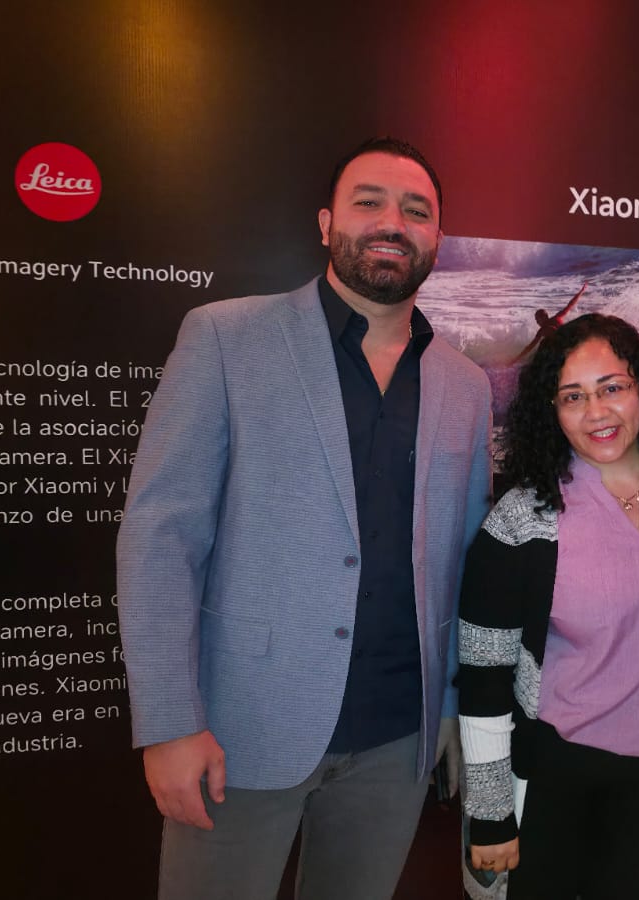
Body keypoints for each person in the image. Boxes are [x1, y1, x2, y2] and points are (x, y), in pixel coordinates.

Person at [116, 136, 492, 900]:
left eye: (415, 210)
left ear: (437, 237)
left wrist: (451, 708)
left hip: (398, 738)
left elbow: (462, 561)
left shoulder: (466, 384)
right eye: (369, 202)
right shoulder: (225, 338)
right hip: (241, 729)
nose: (392, 222)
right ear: (326, 224)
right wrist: (169, 723)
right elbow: (160, 537)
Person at [458, 314, 639, 899]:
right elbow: (483, 675)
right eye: (573, 396)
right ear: (552, 410)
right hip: (555, 776)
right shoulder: (523, 519)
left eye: (612, 387)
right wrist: (492, 813)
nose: (597, 412)